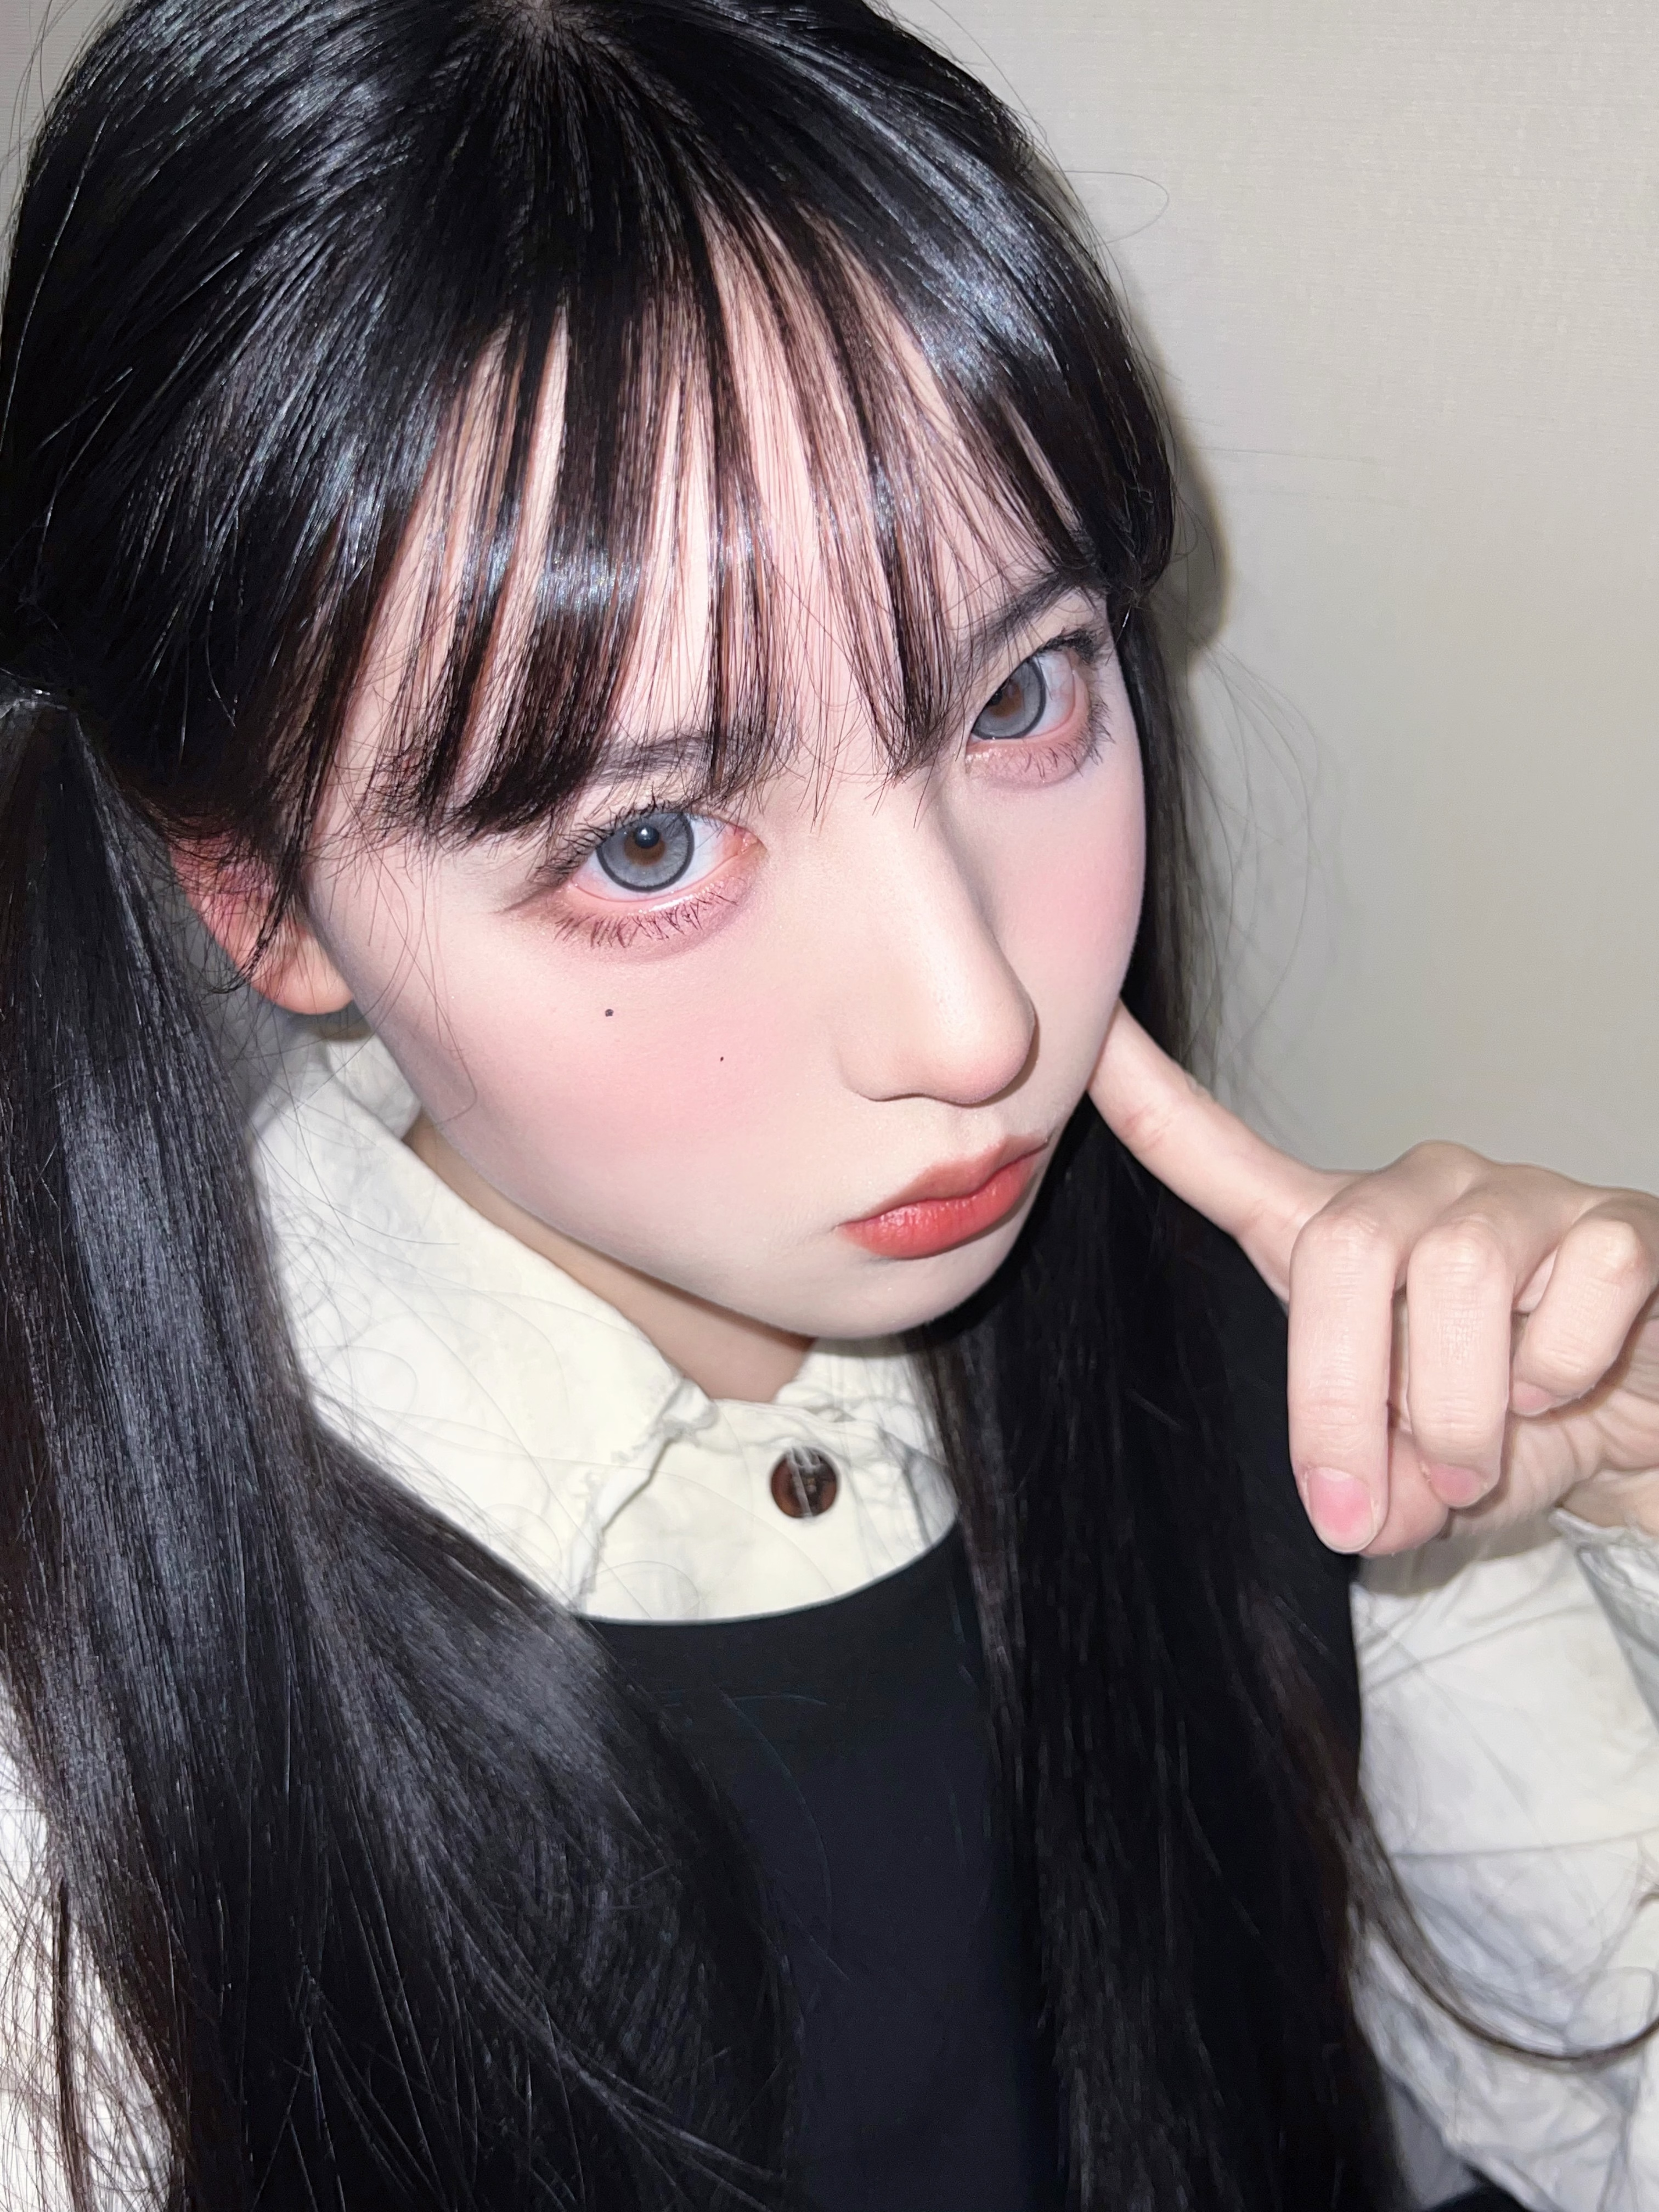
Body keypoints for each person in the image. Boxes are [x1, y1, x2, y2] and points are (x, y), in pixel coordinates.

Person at [1, 0, 1657, 2206]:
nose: (976, 1022)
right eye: (651, 841)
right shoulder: (76, 1754)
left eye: (1024, 692)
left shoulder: (1299, 1384)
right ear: (261, 897)